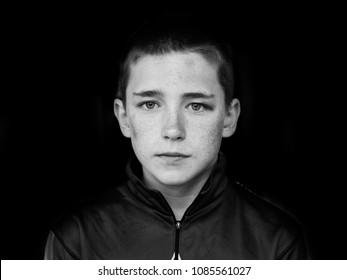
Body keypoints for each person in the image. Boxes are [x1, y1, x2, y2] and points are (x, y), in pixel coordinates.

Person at [44, 13, 307, 260]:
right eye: (150, 104)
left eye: (196, 106)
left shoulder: (277, 241)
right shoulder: (76, 239)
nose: (173, 131)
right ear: (123, 118)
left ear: (229, 117)